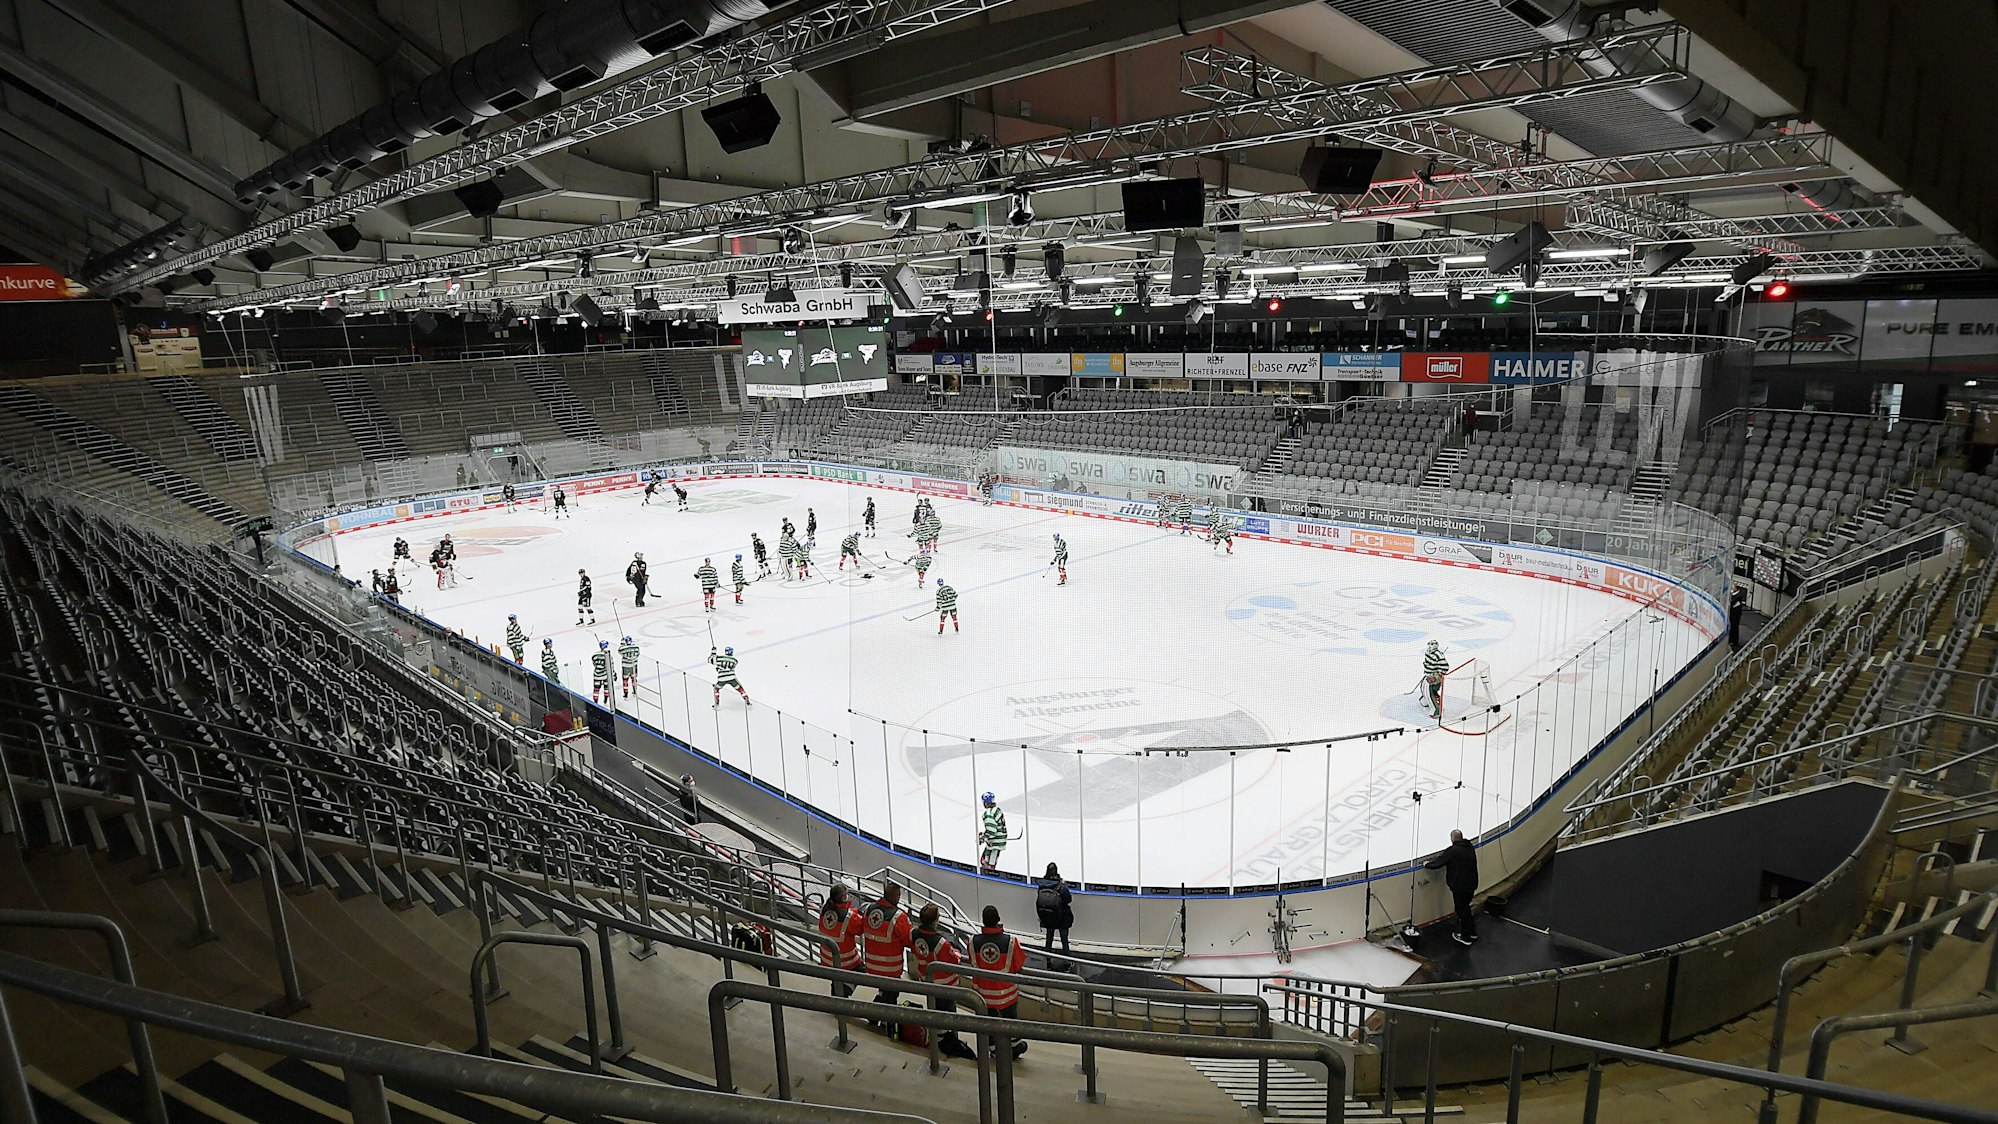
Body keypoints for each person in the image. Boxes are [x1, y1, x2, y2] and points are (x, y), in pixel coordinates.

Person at [910, 904, 977, 1059]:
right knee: (947, 1013)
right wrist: (957, 952)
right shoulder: (941, 943)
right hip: (945, 985)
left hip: (927, 980)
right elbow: (954, 960)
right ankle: (945, 1040)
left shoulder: (913, 934)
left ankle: (943, 1038)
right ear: (936, 920)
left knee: (936, 1010)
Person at [969, 904, 1029, 1058]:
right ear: (998, 919)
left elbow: (972, 963)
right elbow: (1019, 963)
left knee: (988, 1022)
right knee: (1010, 1019)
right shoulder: (1010, 941)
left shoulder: (972, 941)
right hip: (1006, 994)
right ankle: (1015, 1044)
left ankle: (993, 1048)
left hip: (983, 994)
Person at [859, 882, 913, 1009]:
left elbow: (861, 927)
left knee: (885, 992)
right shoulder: (899, 917)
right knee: (892, 995)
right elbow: (908, 940)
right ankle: (882, 1020)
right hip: (890, 969)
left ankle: (875, 1015)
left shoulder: (868, 910)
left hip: (871, 965)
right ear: (896, 896)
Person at [1422, 829, 1481, 945]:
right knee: (1466, 909)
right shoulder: (1469, 847)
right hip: (1471, 884)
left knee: (1462, 910)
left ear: (1452, 839)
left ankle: (1466, 937)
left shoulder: (1453, 851)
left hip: (1460, 887)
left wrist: (1427, 864)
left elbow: (1439, 862)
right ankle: (1472, 932)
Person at [817, 884, 865, 994]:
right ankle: (845, 989)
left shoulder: (825, 909)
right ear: (844, 898)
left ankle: (836, 989)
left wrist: (854, 911)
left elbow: (841, 913)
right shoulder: (849, 918)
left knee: (836, 978)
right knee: (863, 973)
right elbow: (860, 928)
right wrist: (860, 914)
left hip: (826, 960)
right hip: (847, 962)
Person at [1035, 863, 1074, 962]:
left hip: (1048, 917)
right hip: (1062, 917)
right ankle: (1067, 963)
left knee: (1049, 940)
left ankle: (1047, 962)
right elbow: (1068, 899)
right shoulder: (1061, 886)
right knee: (1064, 941)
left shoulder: (1042, 885)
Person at [977, 791, 1006, 871]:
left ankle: (989, 870)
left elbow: (991, 831)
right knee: (984, 859)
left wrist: (983, 837)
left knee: (988, 862)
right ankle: (989, 868)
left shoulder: (989, 813)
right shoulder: (997, 810)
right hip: (999, 840)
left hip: (995, 842)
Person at [1422, 640, 1449, 719]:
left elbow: (1445, 667)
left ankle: (1436, 710)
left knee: (1430, 693)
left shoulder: (1439, 655)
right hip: (1428, 675)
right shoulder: (1428, 652)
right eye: (1430, 644)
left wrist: (1437, 674)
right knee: (1426, 690)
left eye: (1433, 645)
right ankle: (1426, 701)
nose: (1431, 646)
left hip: (1434, 678)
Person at [590, 640, 614, 705]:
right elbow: (611, 667)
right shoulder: (608, 656)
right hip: (605, 675)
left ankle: (595, 701)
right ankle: (606, 699)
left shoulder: (594, 655)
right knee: (606, 687)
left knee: (596, 689)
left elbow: (594, 664)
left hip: (596, 675)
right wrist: (614, 675)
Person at [1728, 585, 1746, 650]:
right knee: (1731, 627)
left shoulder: (1739, 596)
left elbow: (1732, 602)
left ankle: (1734, 642)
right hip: (1732, 614)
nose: (1732, 588)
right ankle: (1730, 640)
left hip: (1735, 615)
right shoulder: (1733, 594)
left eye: (1734, 587)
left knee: (1734, 627)